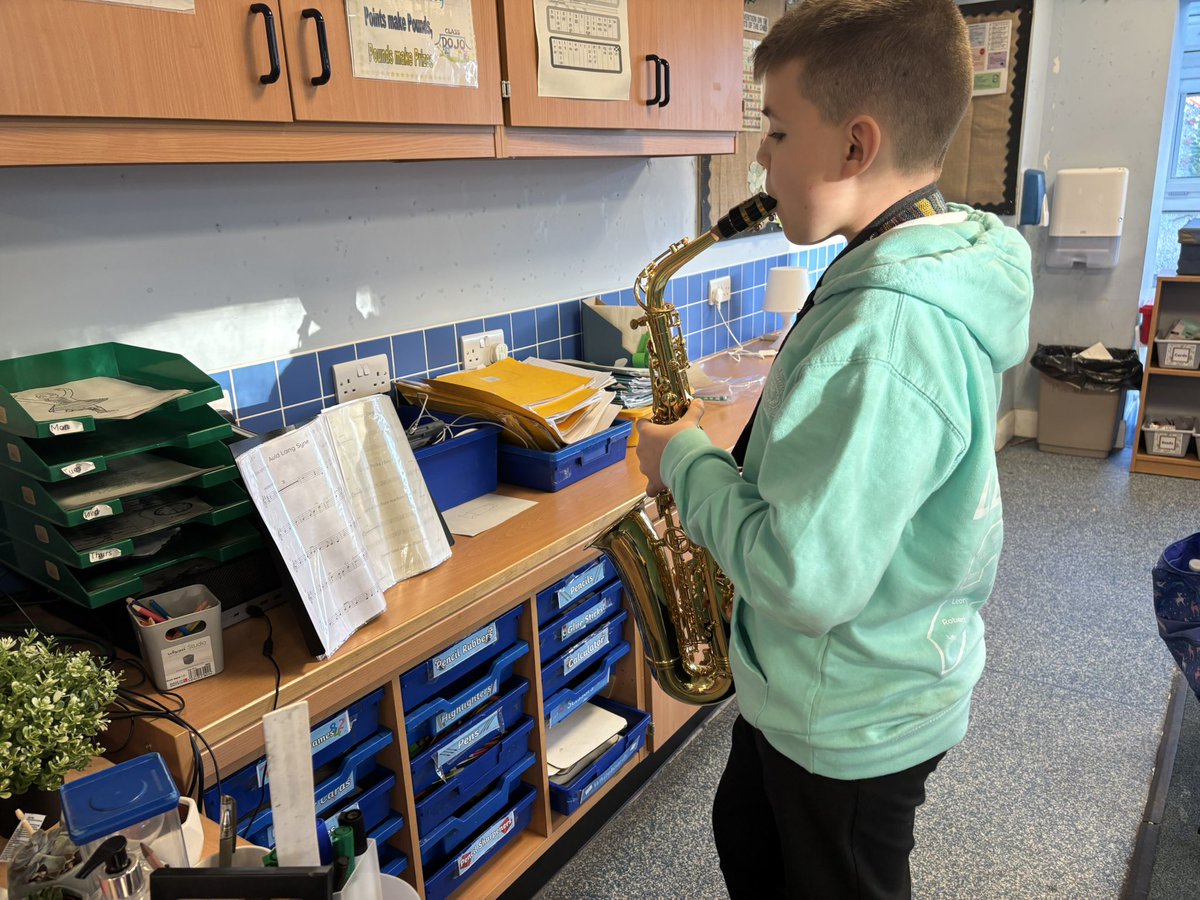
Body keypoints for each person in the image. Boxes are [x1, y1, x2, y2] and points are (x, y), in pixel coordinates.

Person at [634, 1, 1034, 897]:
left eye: (776, 130)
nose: (760, 159)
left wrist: (686, 464)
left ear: (856, 148)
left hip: (850, 715)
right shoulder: (907, 258)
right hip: (834, 683)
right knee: (748, 833)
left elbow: (805, 580)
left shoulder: (888, 327)